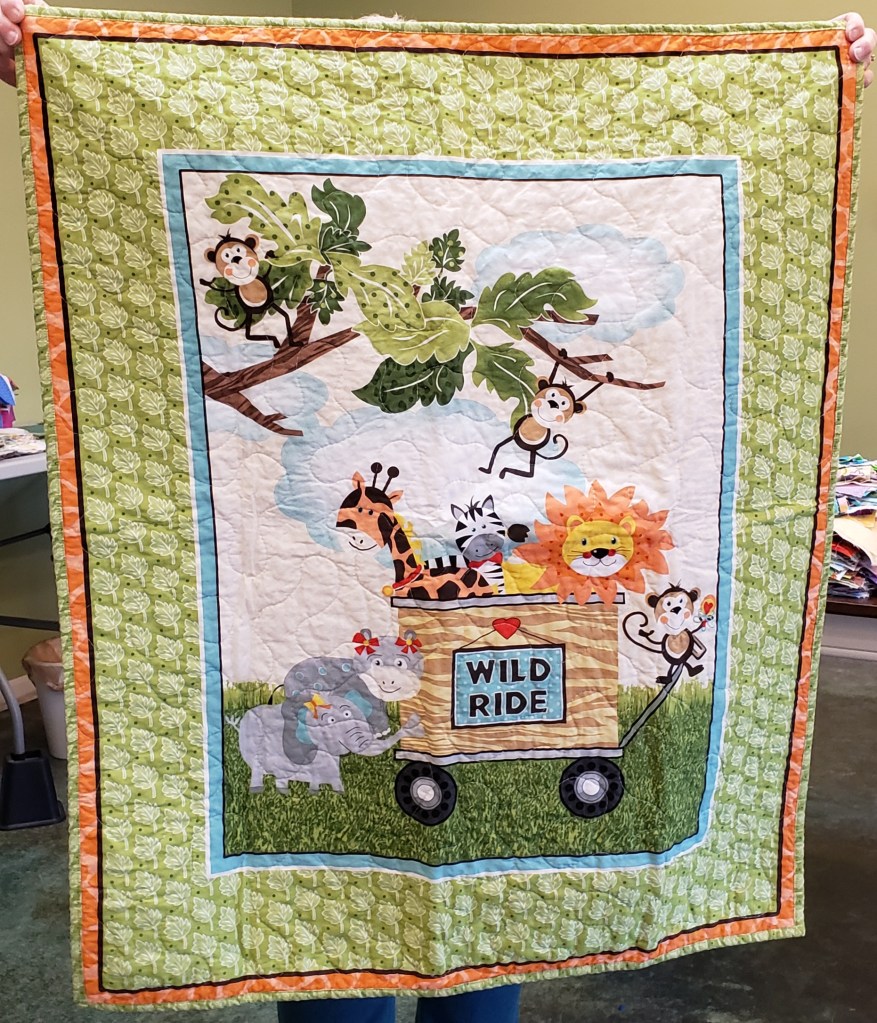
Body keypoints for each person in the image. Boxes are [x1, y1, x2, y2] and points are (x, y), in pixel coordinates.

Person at [0, 2, 873, 1021]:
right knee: (333, 945)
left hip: (495, 603)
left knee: (485, 928)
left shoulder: (507, 470)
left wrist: (816, 78)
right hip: (431, 623)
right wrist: (51, 69)